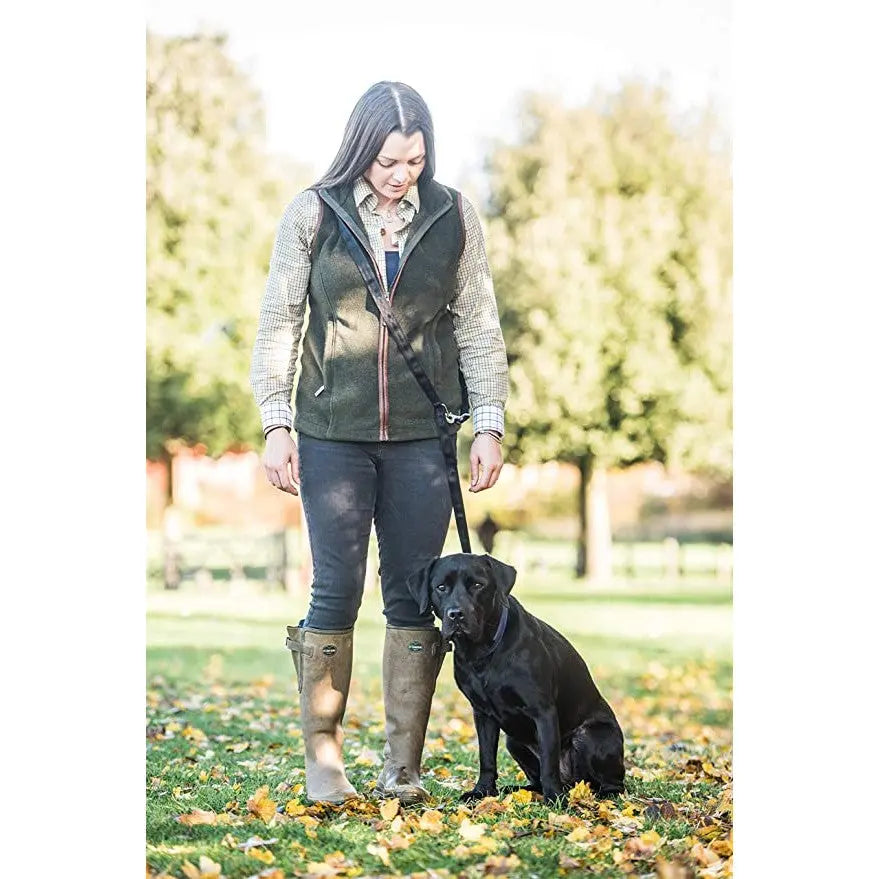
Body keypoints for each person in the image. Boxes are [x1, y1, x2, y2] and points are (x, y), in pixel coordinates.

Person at [249, 81, 509, 806]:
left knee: (411, 596)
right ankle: (324, 765)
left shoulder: (454, 214)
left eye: (415, 160)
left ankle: (403, 769)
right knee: (335, 589)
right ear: (362, 150)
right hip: (331, 435)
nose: (402, 176)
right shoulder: (313, 212)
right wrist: (277, 422)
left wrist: (487, 420)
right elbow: (280, 322)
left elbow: (479, 325)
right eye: (389, 161)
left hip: (425, 439)